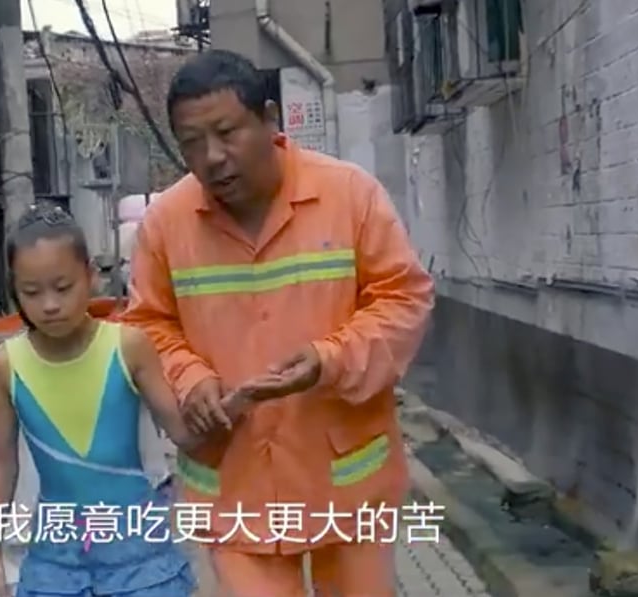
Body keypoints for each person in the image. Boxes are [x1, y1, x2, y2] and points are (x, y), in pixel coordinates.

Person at [121, 49, 435, 597]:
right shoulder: (167, 223)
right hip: (235, 481)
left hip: (346, 481)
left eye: (226, 132)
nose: (213, 157)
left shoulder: (349, 195)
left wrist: (328, 358)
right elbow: (147, 325)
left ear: (270, 119)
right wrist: (191, 378)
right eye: (192, 143)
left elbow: (403, 300)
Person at [0, 204, 264, 597]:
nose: (49, 304)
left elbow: (182, 434)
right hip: (57, 557)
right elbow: (1, 463)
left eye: (63, 288)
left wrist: (229, 407)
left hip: (137, 550)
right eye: (31, 292)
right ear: (15, 291)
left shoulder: (127, 346)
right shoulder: (5, 366)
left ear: (91, 278)